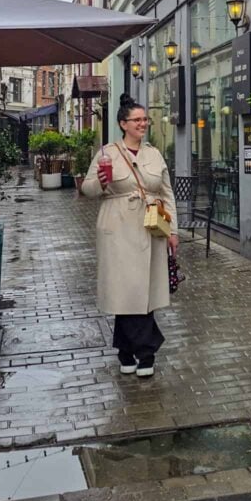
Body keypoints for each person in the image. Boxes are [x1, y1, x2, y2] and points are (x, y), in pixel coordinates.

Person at [81, 93, 179, 378]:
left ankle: (127, 351)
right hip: (117, 228)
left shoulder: (154, 154)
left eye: (145, 119)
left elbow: (166, 192)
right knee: (126, 289)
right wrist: (99, 183)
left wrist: (172, 230)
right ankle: (146, 352)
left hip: (150, 227)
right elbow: (86, 189)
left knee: (141, 290)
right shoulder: (106, 153)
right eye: (137, 120)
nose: (143, 124)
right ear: (123, 124)